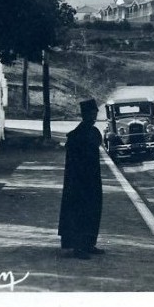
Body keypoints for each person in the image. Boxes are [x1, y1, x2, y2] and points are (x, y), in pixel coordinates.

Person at [58, 98, 105, 259]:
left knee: (93, 210)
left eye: (95, 113)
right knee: (80, 212)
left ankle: (89, 243)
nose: (94, 115)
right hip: (79, 181)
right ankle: (78, 247)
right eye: (91, 113)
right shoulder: (78, 135)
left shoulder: (92, 132)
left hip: (92, 178)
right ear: (84, 115)